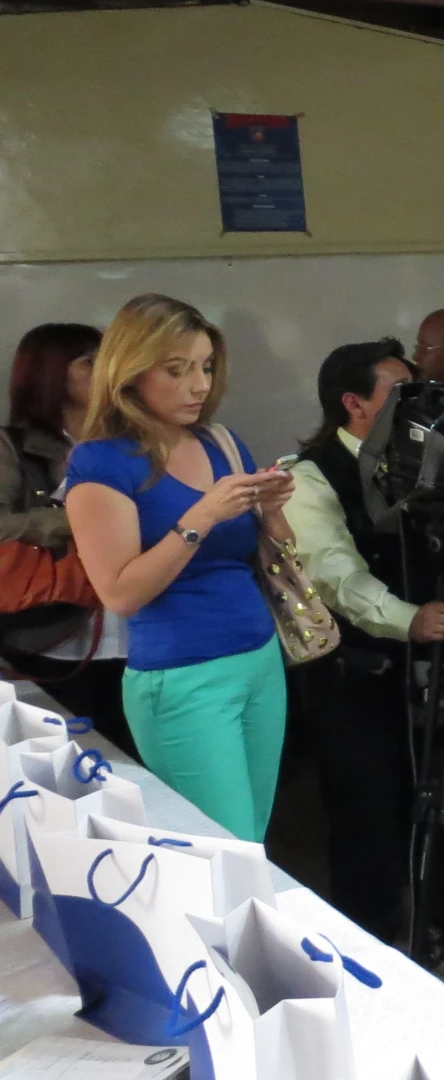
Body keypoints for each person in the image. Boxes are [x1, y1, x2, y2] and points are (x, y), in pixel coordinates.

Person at [289, 340, 444, 949]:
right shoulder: (310, 475)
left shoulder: (425, 458)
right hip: (361, 671)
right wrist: (406, 618)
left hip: (439, 663)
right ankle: (370, 933)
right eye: (398, 392)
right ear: (354, 404)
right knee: (367, 804)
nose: (415, 404)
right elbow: (333, 572)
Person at [61, 294, 296, 839]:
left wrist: (274, 512)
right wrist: (202, 516)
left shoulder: (218, 441)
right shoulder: (101, 461)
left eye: (207, 367)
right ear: (131, 372)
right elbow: (120, 593)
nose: (200, 386)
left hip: (259, 659)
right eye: (177, 370)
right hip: (183, 677)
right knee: (222, 848)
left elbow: (265, 552)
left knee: (254, 836)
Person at [0, 323, 134, 751]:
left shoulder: (134, 442)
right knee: (71, 764)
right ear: (49, 372)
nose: (107, 372)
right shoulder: (13, 446)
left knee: (141, 764)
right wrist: (79, 515)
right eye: (90, 362)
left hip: (139, 633)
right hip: (47, 634)